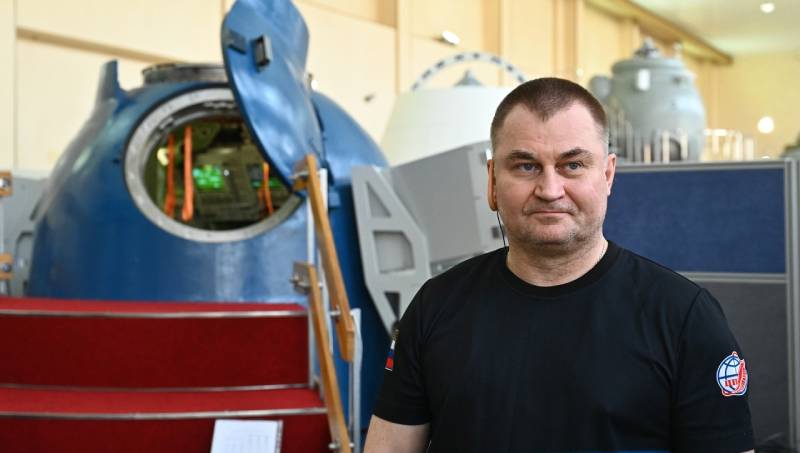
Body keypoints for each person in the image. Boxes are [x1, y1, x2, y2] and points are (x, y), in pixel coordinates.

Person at [363, 77, 754, 453]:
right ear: (492, 181)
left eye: (573, 165)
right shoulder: (435, 306)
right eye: (526, 166)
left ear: (608, 175)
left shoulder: (683, 318)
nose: (550, 190)